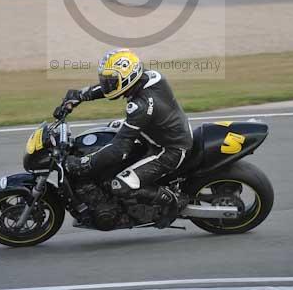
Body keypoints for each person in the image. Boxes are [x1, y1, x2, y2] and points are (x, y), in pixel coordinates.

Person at [53, 48, 193, 227]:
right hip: (159, 130)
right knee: (110, 128)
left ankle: (172, 201)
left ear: (126, 79)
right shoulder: (150, 77)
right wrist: (81, 95)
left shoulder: (140, 106)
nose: (106, 85)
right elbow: (115, 88)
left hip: (170, 149)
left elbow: (119, 150)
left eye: (109, 81)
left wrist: (84, 163)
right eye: (105, 80)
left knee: (120, 184)